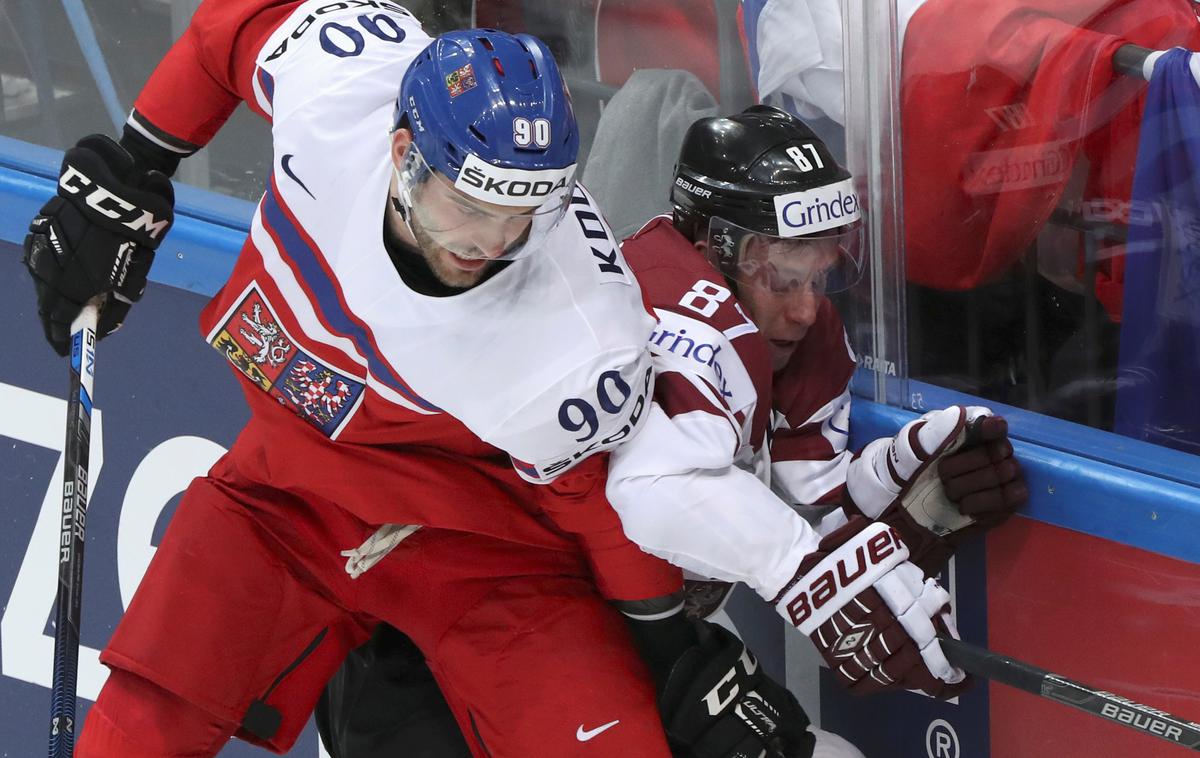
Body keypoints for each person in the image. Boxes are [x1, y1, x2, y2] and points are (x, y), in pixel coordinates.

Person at [22, 2, 702, 755]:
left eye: (522, 214)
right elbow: (224, 33)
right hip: (286, 497)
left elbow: (594, 497)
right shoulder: (341, 89)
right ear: (404, 150)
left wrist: (668, 644)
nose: (490, 242)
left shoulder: (581, 323)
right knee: (134, 732)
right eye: (469, 206)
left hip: (490, 544)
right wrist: (141, 162)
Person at [317, 106, 1028, 757]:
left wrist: (886, 507)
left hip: (587, 627)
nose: (806, 308)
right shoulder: (676, 318)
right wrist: (806, 575)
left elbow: (775, 504)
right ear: (714, 247)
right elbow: (655, 488)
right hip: (431, 653)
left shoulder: (776, 330)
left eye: (821, 273)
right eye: (782, 275)